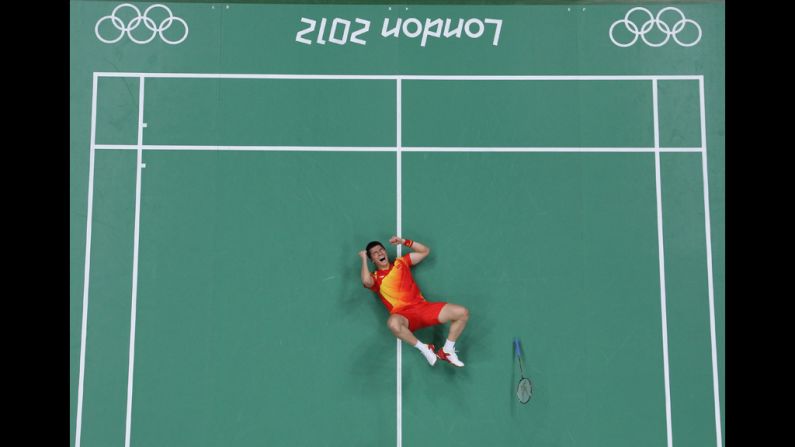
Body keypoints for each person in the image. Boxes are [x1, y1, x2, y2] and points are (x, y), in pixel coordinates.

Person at [358, 236, 469, 367]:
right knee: (393, 324)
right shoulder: (375, 278)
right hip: (405, 317)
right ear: (372, 260)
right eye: (375, 253)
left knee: (462, 313)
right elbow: (366, 281)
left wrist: (404, 242)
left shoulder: (401, 263)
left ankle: (447, 351)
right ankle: (424, 348)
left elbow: (425, 251)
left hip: (424, 309)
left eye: (381, 250)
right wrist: (364, 258)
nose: (380, 253)